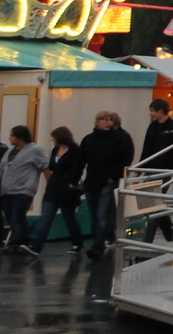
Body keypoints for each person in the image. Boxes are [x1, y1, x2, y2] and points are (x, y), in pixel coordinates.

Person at [79, 111, 133, 258]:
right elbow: (81, 160)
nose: (107, 122)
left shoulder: (118, 138)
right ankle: (99, 241)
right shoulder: (89, 140)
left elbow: (125, 159)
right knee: (94, 215)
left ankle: (98, 245)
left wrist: (113, 176)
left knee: (101, 214)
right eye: (104, 120)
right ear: (97, 121)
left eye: (109, 120)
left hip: (106, 181)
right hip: (92, 181)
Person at [28, 127, 84, 256]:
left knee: (69, 217)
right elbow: (52, 166)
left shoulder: (75, 151)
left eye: (53, 137)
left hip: (67, 187)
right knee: (46, 216)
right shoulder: (55, 150)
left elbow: (78, 167)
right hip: (54, 185)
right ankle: (37, 246)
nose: (52, 140)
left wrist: (73, 182)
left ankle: (77, 242)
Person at [138, 99, 173, 243]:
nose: (150, 114)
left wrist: (171, 166)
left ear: (160, 111)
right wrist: (141, 167)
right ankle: (169, 233)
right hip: (150, 169)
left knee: (154, 204)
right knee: (153, 203)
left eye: (152, 111)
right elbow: (146, 148)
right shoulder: (152, 127)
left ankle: (147, 241)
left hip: (164, 170)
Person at [1, 126, 48, 255]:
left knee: (17, 214)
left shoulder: (34, 150)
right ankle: (23, 240)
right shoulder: (9, 152)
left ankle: (17, 243)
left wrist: (50, 184)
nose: (9, 137)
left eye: (12, 135)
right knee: (11, 216)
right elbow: (3, 169)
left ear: (20, 137)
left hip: (23, 189)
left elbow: (45, 166)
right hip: (6, 190)